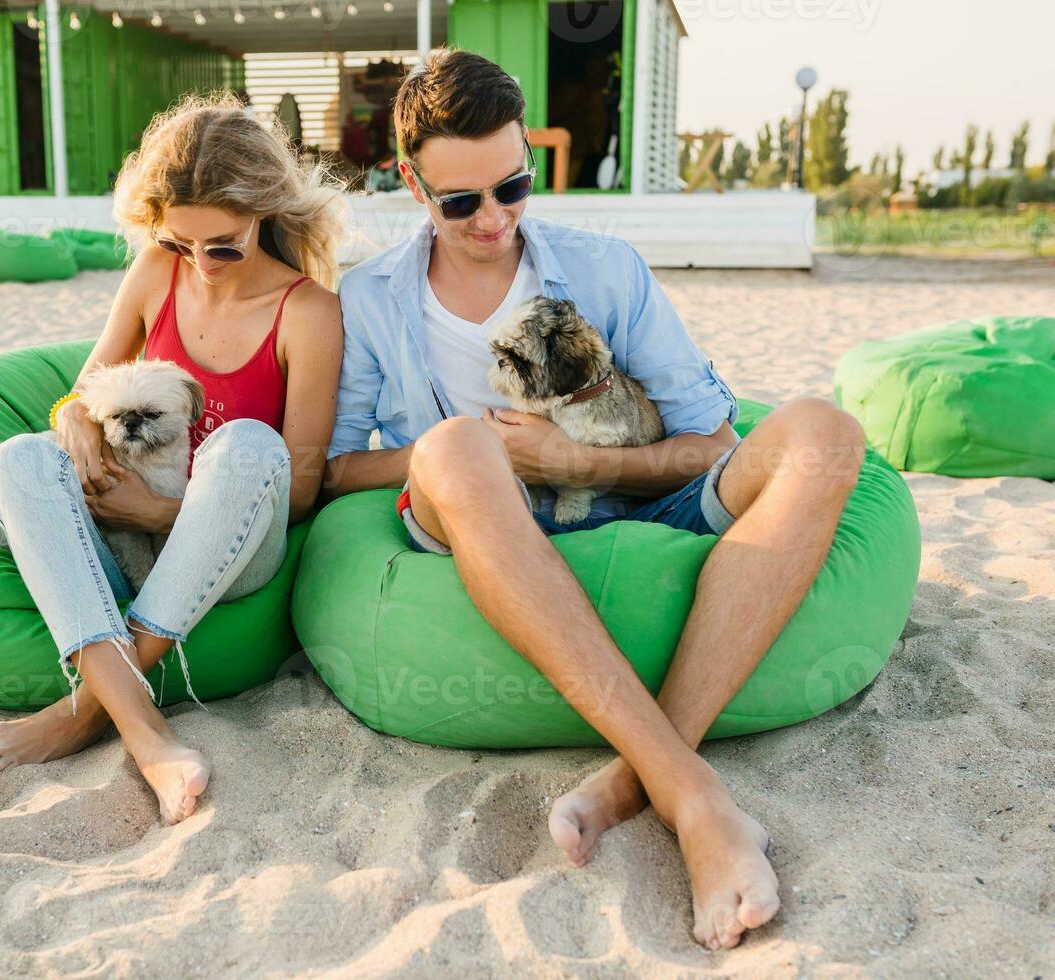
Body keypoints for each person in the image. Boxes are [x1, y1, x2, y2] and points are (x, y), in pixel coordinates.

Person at [322, 51, 866, 951]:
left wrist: (577, 462)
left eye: (513, 186)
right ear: (413, 183)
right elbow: (340, 469)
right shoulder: (373, 297)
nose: (493, 219)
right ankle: (694, 796)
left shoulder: (606, 269)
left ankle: (635, 776)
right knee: (453, 445)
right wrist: (503, 465)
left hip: (629, 494)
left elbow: (713, 441)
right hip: (482, 522)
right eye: (462, 202)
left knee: (825, 432)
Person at [0, 95, 345, 826]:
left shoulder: (309, 311)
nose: (202, 265)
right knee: (17, 460)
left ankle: (92, 715)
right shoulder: (153, 274)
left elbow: (297, 490)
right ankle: (137, 719)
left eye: (223, 244)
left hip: (232, 550)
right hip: (121, 544)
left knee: (248, 443)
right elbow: (83, 393)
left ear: (265, 213)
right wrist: (70, 421)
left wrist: (160, 511)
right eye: (180, 243)